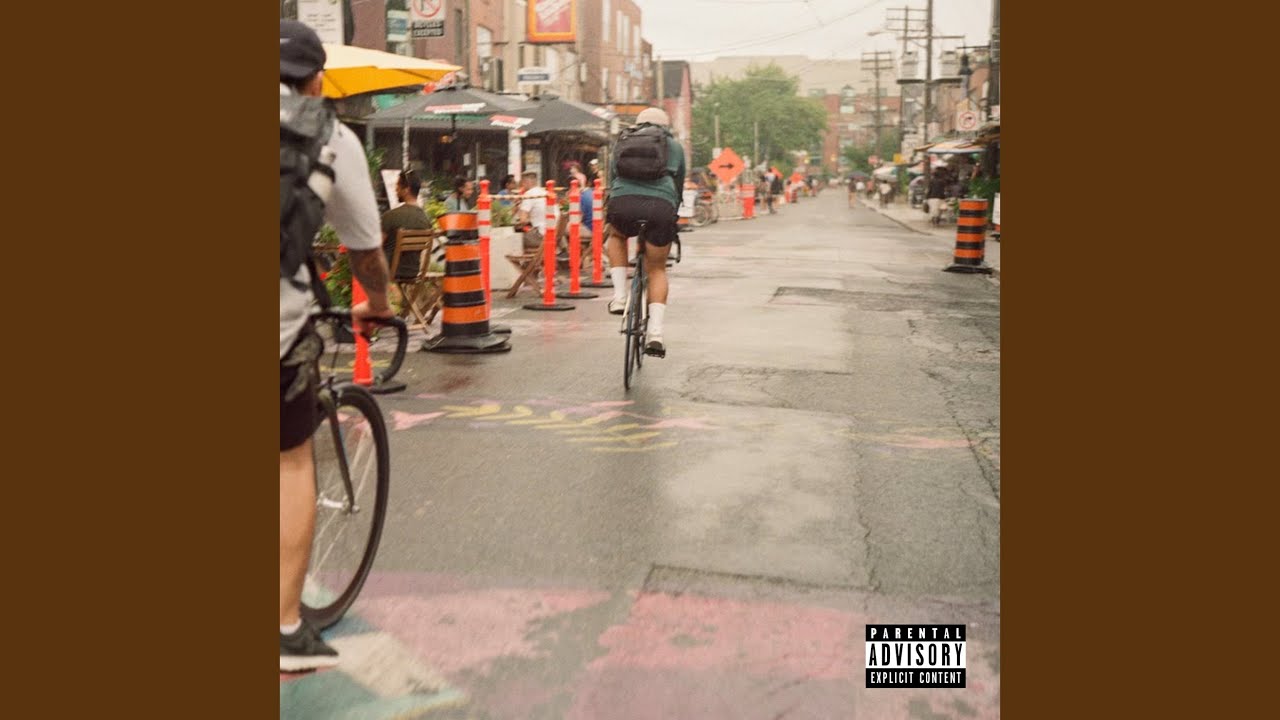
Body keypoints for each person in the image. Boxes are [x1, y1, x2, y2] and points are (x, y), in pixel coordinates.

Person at [279, 19, 394, 672]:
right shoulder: (329, 136)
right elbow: (365, 250)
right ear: (317, 81)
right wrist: (377, 302)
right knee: (290, 457)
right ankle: (284, 629)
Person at [603, 107, 686, 358]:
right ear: (665, 126)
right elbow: (679, 184)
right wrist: (672, 211)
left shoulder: (623, 140)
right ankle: (655, 334)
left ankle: (619, 297)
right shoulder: (674, 146)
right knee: (657, 269)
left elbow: (612, 178)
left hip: (624, 202)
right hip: (660, 206)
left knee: (616, 236)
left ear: (638, 124)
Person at [380, 170, 432, 279]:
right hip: (412, 272)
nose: (396, 190)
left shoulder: (391, 216)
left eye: (398, 186)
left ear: (406, 190)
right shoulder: (426, 220)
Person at [514, 171, 546, 253]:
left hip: (541, 236)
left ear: (525, 182)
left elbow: (523, 220)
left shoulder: (529, 195)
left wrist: (517, 206)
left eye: (522, 183)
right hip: (553, 235)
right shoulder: (545, 192)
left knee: (511, 238)